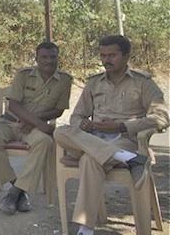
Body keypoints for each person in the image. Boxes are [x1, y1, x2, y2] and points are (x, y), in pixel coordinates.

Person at [54, 35, 169, 235]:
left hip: (124, 139)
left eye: (112, 55)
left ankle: (85, 229)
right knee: (60, 132)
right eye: (103, 55)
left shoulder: (143, 83)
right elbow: (76, 116)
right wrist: (84, 124)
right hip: (94, 138)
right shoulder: (94, 83)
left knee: (90, 159)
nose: (106, 60)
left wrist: (121, 126)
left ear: (126, 56)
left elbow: (162, 117)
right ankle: (130, 160)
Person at [0, 42, 72, 215]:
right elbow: (14, 105)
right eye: (44, 57)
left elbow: (59, 109)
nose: (49, 61)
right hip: (9, 122)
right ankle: (20, 189)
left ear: (58, 57)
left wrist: (34, 122)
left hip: (32, 127)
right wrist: (37, 123)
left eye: (53, 57)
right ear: (36, 59)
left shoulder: (65, 80)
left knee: (45, 142)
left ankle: (14, 193)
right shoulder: (23, 75)